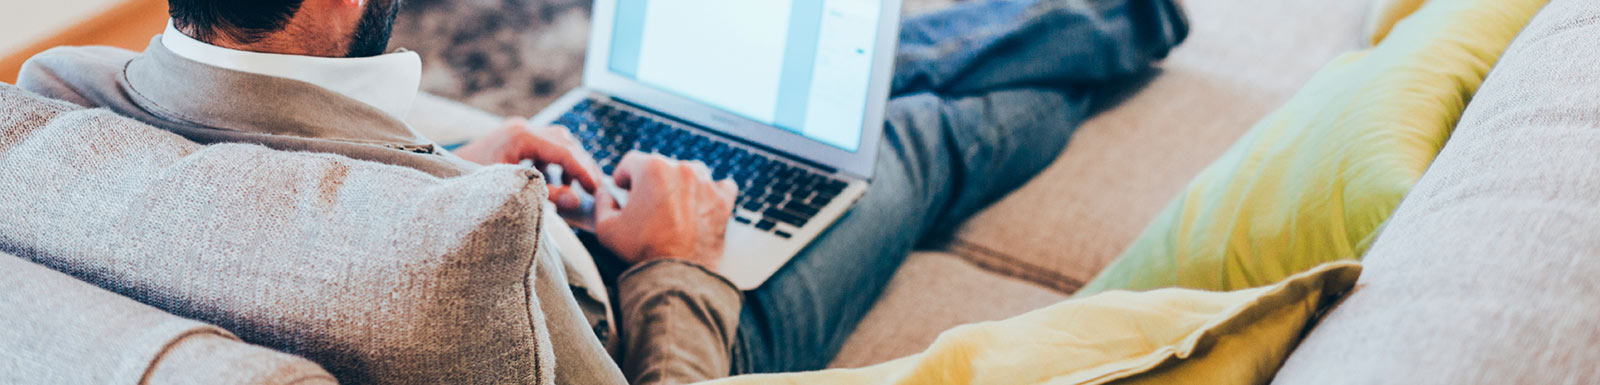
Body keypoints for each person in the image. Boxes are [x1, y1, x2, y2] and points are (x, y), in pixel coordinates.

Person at [17, 0, 1188, 383]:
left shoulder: (51, 102)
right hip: (646, 301)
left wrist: (425, 171)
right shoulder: (464, 262)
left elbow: (240, 194)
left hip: (485, 213)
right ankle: (1122, 21)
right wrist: (680, 256)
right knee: (925, 139)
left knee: (862, 87)